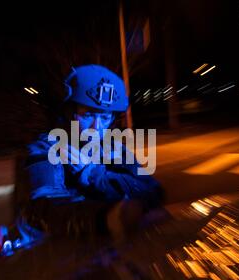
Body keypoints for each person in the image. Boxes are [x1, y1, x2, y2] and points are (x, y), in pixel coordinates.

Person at [13, 64, 163, 241]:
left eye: (105, 117)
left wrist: (93, 174)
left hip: (108, 250)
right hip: (50, 255)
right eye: (88, 115)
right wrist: (104, 219)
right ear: (69, 113)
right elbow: (43, 210)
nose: (96, 127)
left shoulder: (112, 148)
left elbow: (152, 190)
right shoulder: (46, 149)